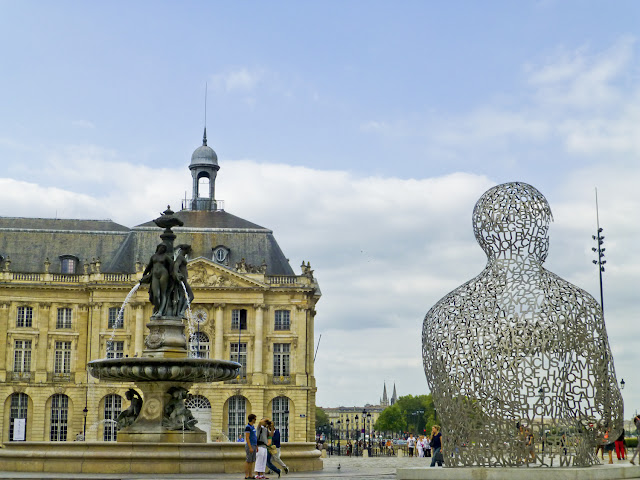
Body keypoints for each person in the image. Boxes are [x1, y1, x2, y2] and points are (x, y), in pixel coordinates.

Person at [244, 414, 257, 480]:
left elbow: (254, 436)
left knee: (252, 461)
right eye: (255, 419)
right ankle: (247, 475)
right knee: (248, 460)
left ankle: (250, 474)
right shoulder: (248, 427)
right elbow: (247, 437)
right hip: (250, 445)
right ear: (252, 419)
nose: (255, 420)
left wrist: (256, 446)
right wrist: (250, 447)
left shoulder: (253, 427)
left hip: (254, 445)